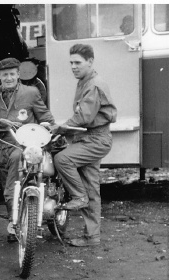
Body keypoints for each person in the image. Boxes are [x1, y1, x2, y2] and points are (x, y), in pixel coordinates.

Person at [51, 44, 117, 247]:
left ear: (90, 61)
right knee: (91, 188)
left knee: (62, 159)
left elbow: (84, 117)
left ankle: (78, 197)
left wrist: (59, 129)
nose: (73, 66)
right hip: (88, 137)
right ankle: (92, 237)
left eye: (78, 62)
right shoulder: (85, 81)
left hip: (95, 139)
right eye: (71, 63)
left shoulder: (93, 85)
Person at [0, 57, 55, 243]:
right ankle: (15, 221)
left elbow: (45, 116)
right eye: (4, 75)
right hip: (1, 146)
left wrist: (47, 127)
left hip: (22, 147)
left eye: (12, 74)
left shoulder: (31, 93)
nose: (8, 78)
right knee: (7, 187)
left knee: (11, 188)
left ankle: (15, 224)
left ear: (18, 74)